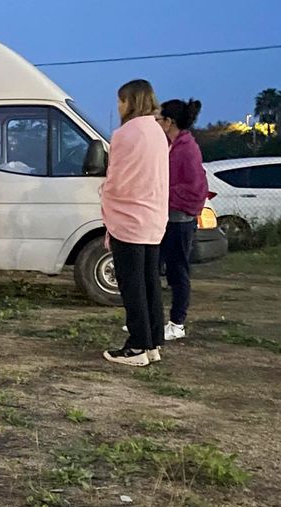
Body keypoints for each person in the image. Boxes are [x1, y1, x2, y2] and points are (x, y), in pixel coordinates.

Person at [101, 80, 169, 367]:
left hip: (129, 218)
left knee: (132, 285)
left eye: (121, 101)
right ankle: (153, 342)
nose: (118, 106)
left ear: (131, 102)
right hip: (153, 217)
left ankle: (137, 345)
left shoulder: (125, 133)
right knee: (150, 282)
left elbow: (117, 178)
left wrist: (104, 193)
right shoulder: (157, 131)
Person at [157, 99, 208, 342]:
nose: (156, 122)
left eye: (159, 119)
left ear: (169, 122)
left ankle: (177, 323)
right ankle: (154, 320)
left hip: (181, 218)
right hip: (166, 216)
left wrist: (165, 192)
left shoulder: (187, 148)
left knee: (178, 271)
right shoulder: (170, 145)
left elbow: (197, 188)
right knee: (156, 267)